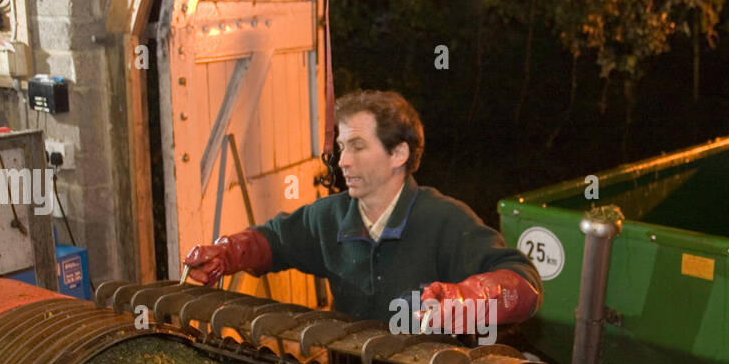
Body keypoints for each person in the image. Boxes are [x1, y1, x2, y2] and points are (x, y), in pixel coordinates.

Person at [182, 90, 541, 337]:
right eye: (341, 147)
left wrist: (473, 297)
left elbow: (523, 282)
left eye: (357, 146)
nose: (343, 161)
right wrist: (228, 252)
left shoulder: (444, 221)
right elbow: (274, 241)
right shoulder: (329, 217)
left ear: (398, 154)